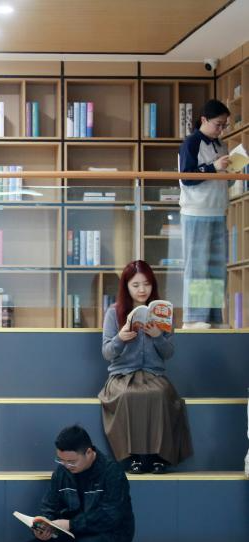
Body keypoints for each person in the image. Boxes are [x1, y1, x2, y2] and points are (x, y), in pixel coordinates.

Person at [99, 260, 192, 474]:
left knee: (159, 394)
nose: (142, 289)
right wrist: (120, 338)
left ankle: (159, 456)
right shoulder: (114, 312)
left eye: (147, 284)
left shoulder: (162, 312)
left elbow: (168, 353)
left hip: (153, 375)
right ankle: (136, 457)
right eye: (136, 285)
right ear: (126, 286)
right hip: (122, 376)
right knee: (128, 395)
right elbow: (107, 353)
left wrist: (158, 336)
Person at [178, 99, 231, 329]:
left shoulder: (221, 145)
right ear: (204, 120)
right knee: (197, 265)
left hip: (218, 210)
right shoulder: (191, 143)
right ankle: (194, 317)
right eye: (218, 124)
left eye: (224, 125)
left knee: (216, 267)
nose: (221, 129)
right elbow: (187, 177)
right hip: (196, 211)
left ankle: (213, 317)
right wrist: (214, 167)